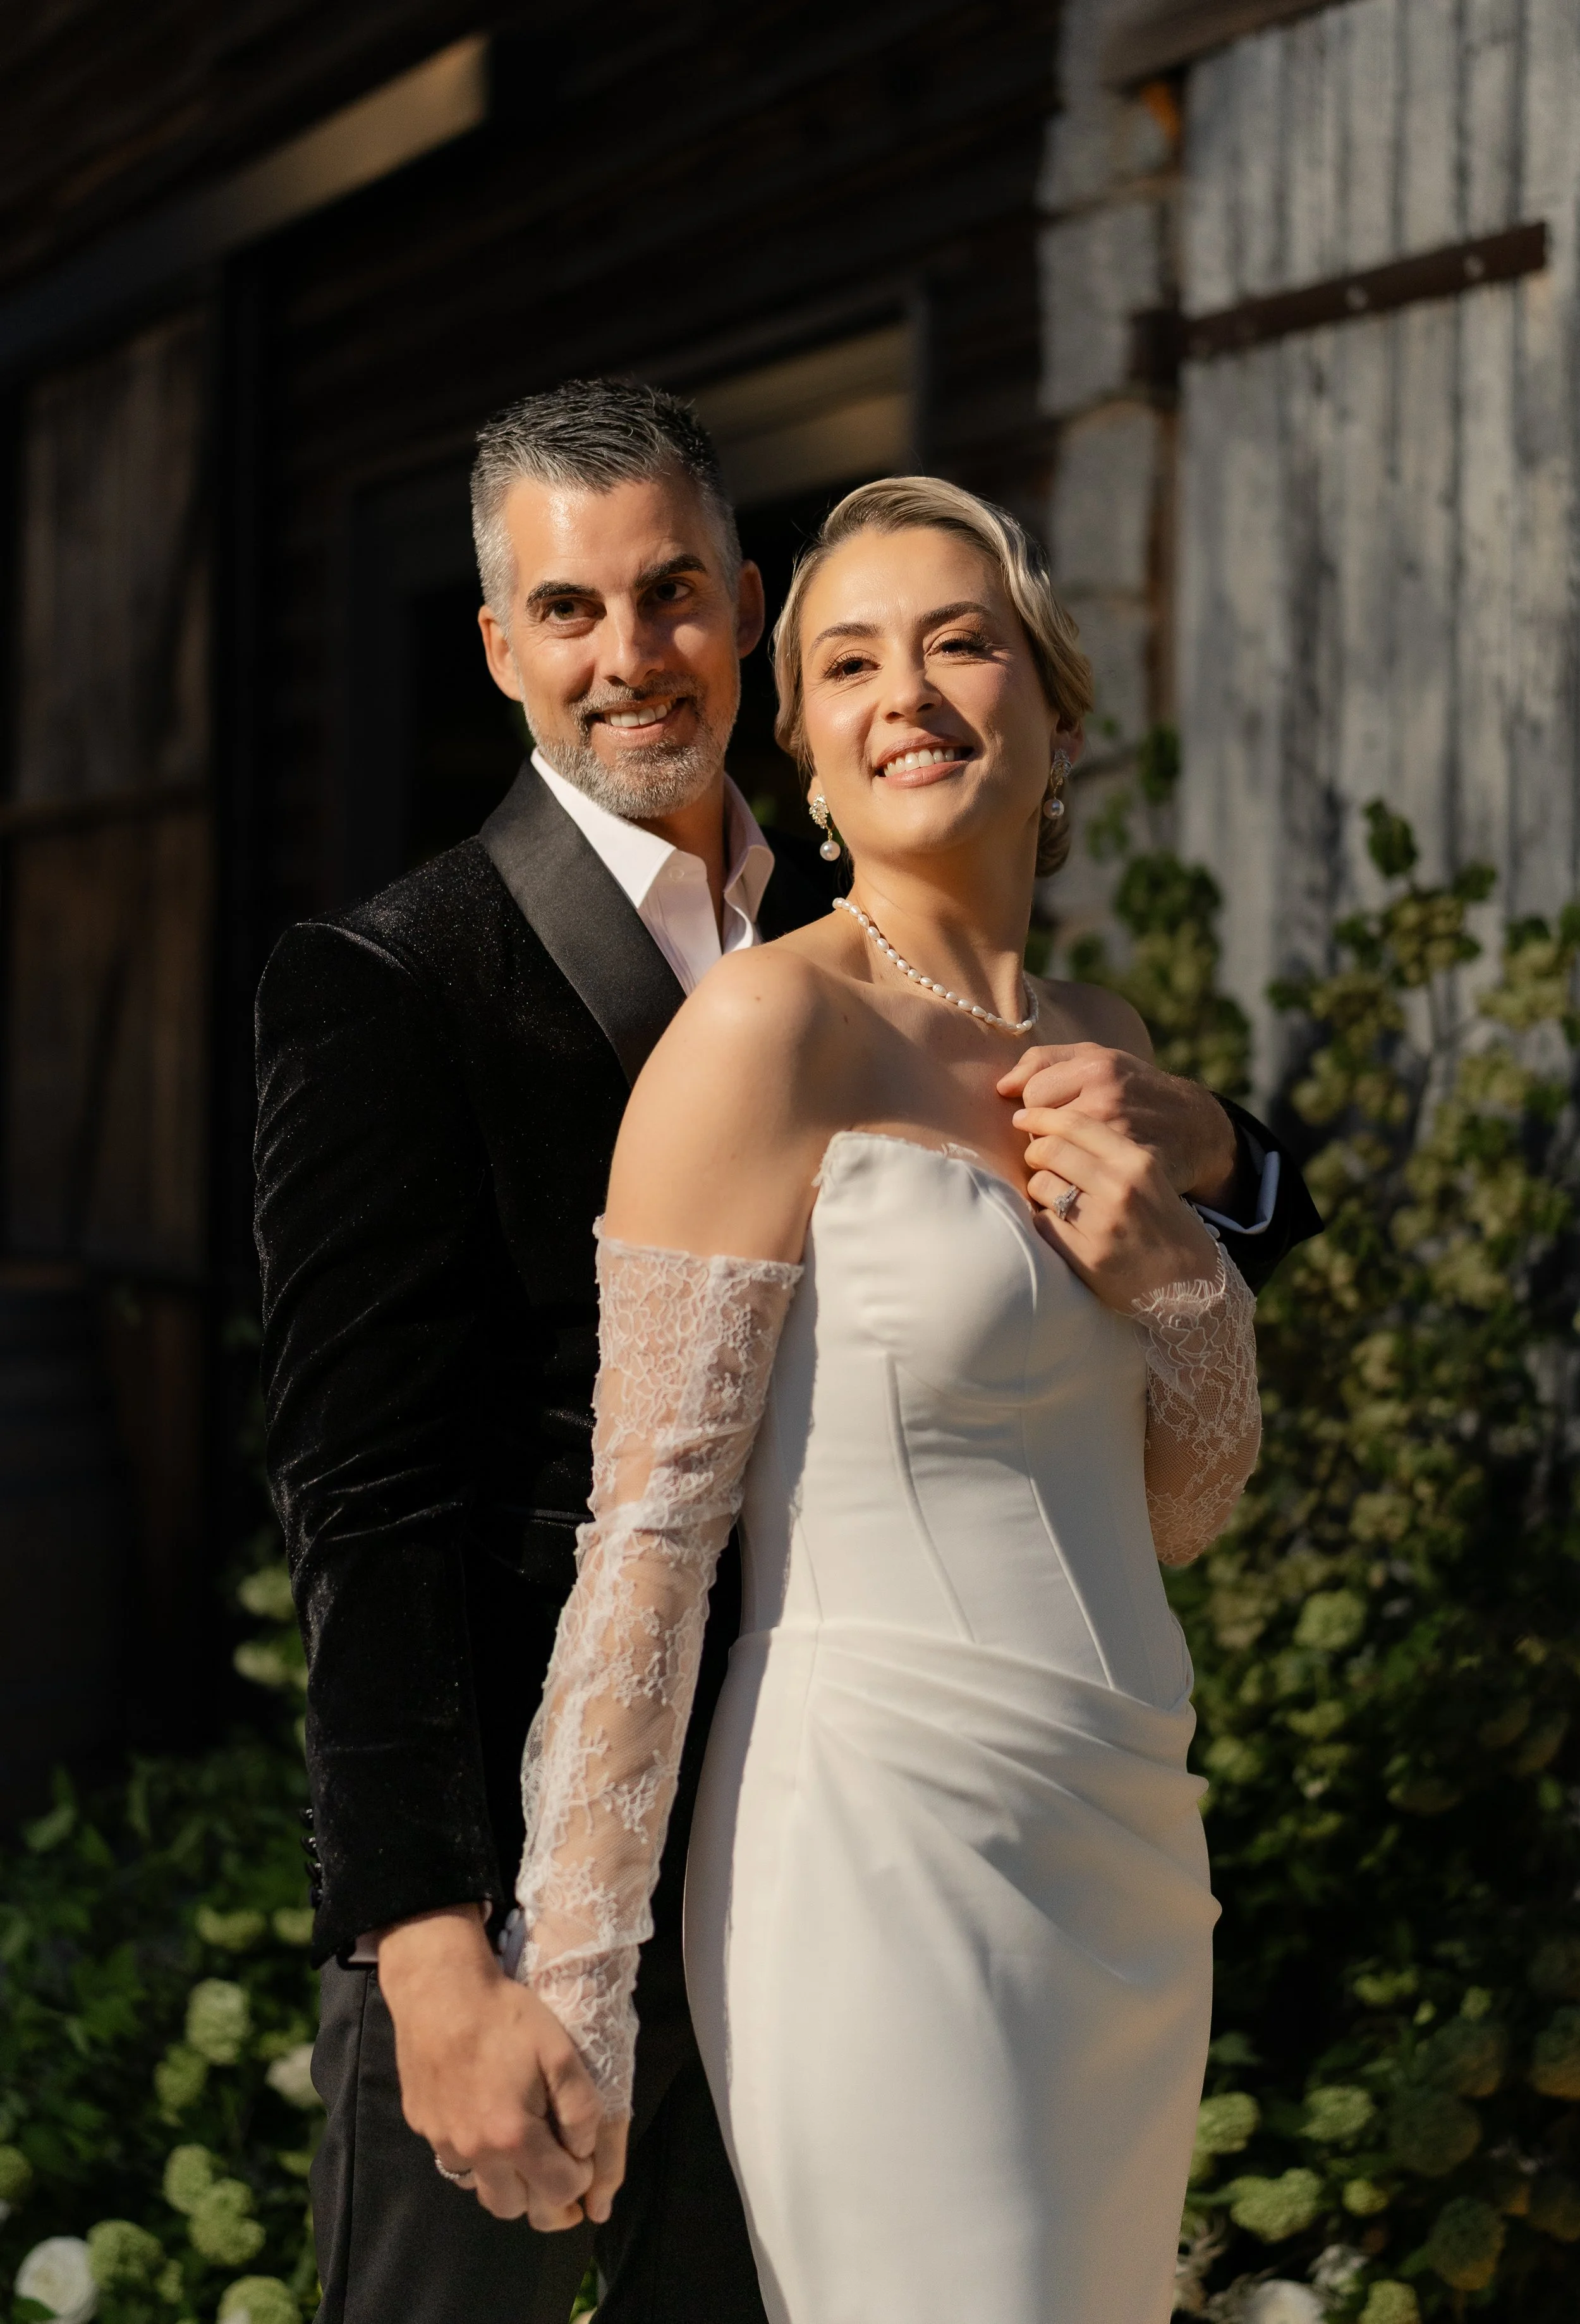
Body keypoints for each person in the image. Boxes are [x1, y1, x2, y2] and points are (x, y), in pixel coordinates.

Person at [254, 384, 1318, 2324]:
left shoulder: (902, 944)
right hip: (555, 1863)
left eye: (670, 594)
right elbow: (370, 1500)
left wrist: (1205, 1181)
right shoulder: (398, 982)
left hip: (1026, 1824)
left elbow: (1166, 1349)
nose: (628, 650)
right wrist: (439, 1947)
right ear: (498, 646)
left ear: (737, 621)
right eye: (567, 610)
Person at [506, 475, 1286, 2324]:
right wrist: (577, 1979)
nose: (906, 693)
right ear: (810, 757)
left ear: (1055, 708)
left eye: (957, 642)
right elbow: (647, 1537)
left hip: (1118, 1841)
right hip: (872, 1846)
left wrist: (1180, 1279)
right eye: (846, 663)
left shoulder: (1108, 1044)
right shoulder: (766, 1033)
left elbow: (1168, 1502)